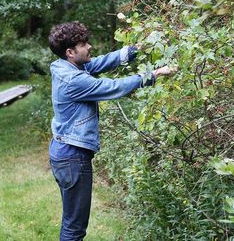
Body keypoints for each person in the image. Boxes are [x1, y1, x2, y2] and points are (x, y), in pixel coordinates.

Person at [47, 21, 176, 240]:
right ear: (70, 52)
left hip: (63, 151)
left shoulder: (64, 66)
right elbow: (114, 87)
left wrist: (136, 50)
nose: (89, 47)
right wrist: (154, 74)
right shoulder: (74, 80)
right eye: (83, 44)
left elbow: (100, 62)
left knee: (72, 221)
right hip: (72, 157)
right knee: (74, 227)